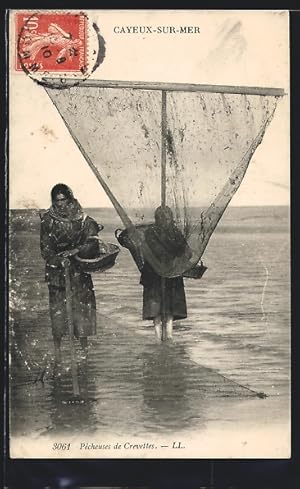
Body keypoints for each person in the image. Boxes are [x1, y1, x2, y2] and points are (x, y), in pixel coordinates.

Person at [40, 183, 102, 363]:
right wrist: (60, 260)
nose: (60, 204)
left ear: (70, 199)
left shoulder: (84, 220)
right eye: (56, 201)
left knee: (82, 313)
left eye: (63, 200)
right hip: (58, 274)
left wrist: (76, 252)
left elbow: (93, 243)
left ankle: (83, 353)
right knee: (58, 313)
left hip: (80, 272)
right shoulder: (48, 221)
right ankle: (58, 352)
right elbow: (45, 249)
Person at [140, 205, 190, 341]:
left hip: (168, 275)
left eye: (166, 217)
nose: (164, 220)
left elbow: (186, 251)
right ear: (157, 218)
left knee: (168, 308)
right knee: (157, 308)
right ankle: (161, 337)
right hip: (156, 275)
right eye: (161, 217)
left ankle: (168, 336)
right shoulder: (152, 233)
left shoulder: (173, 233)